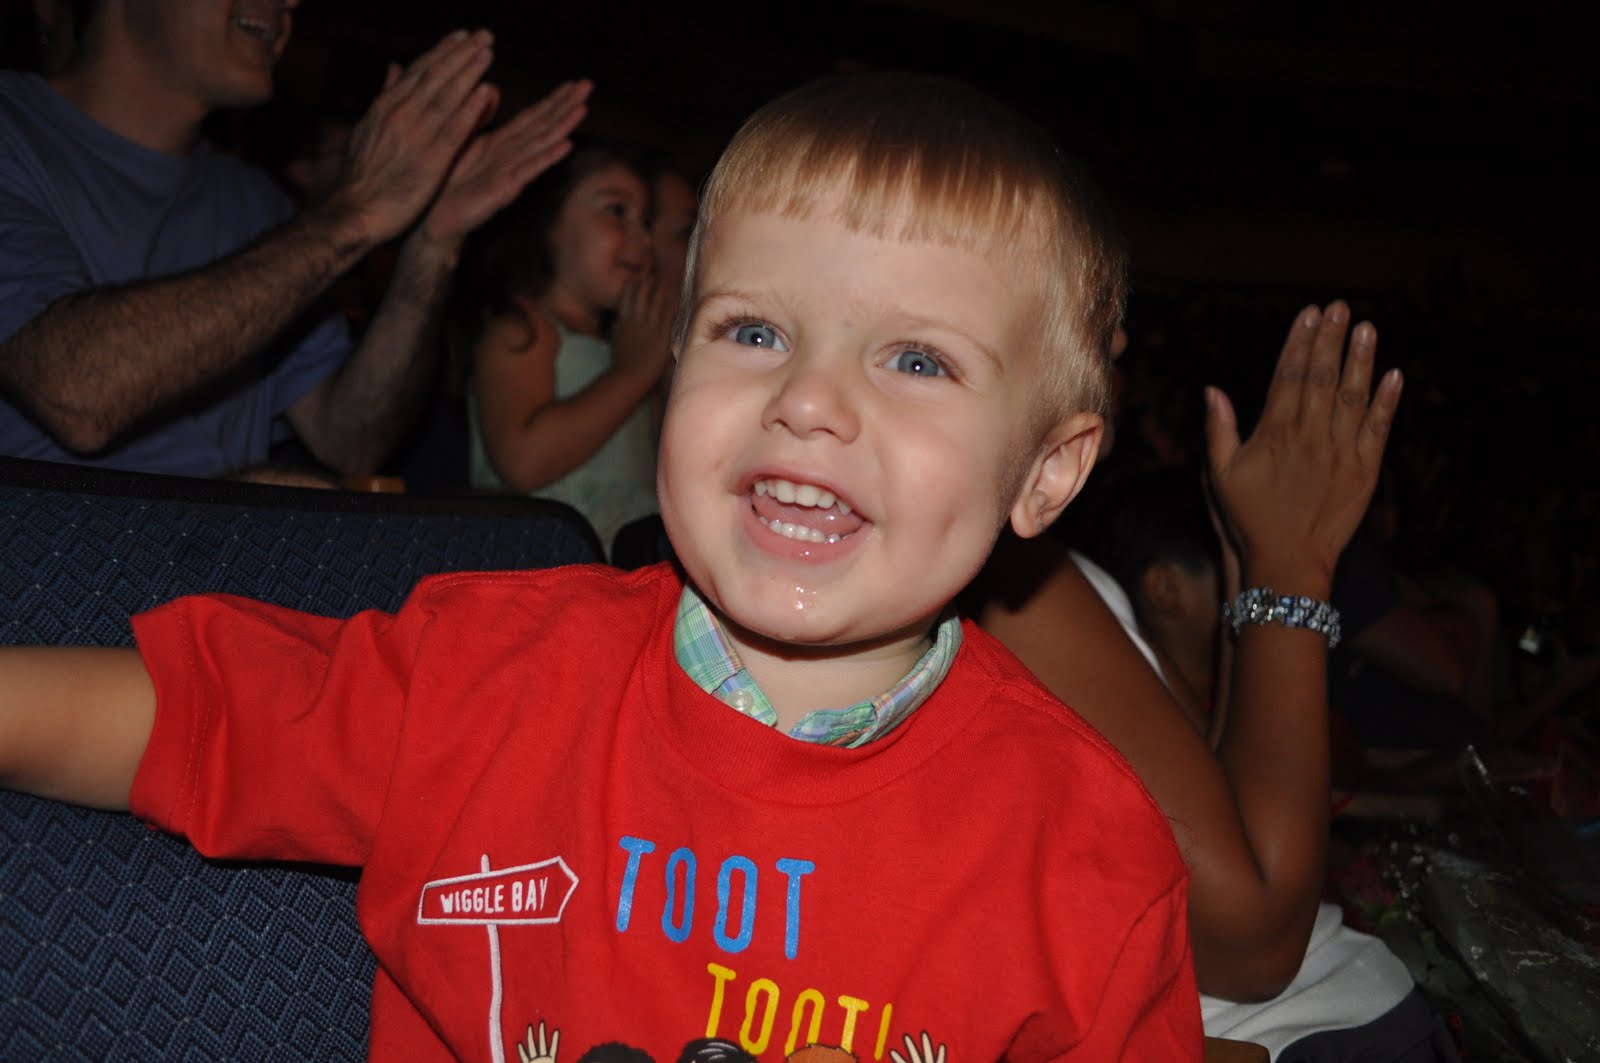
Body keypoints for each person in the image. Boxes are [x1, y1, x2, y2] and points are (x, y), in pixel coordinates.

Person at [0, 72, 1202, 1057]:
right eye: (753, 331)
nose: (809, 400)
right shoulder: (486, 677)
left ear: (1047, 472)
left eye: (918, 361)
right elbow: (210, 712)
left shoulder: (1089, 861)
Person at [974, 306, 1455, 1060]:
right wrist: (1292, 565)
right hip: (1298, 1032)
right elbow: (1256, 946)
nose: (1117, 332)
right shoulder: (1005, 575)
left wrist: (1246, 561)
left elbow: (1221, 809)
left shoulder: (1029, 563)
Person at [0, 0, 590, 480]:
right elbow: (77, 394)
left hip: (216, 571)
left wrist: (433, 245)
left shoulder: (256, 201)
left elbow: (350, 440)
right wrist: (354, 214)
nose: (290, 2)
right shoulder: (14, 131)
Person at [459, 143, 672, 554]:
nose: (645, 240)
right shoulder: (522, 331)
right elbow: (523, 463)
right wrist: (633, 374)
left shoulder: (624, 345)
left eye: (645, 222)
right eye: (617, 211)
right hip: (544, 563)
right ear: (548, 223)